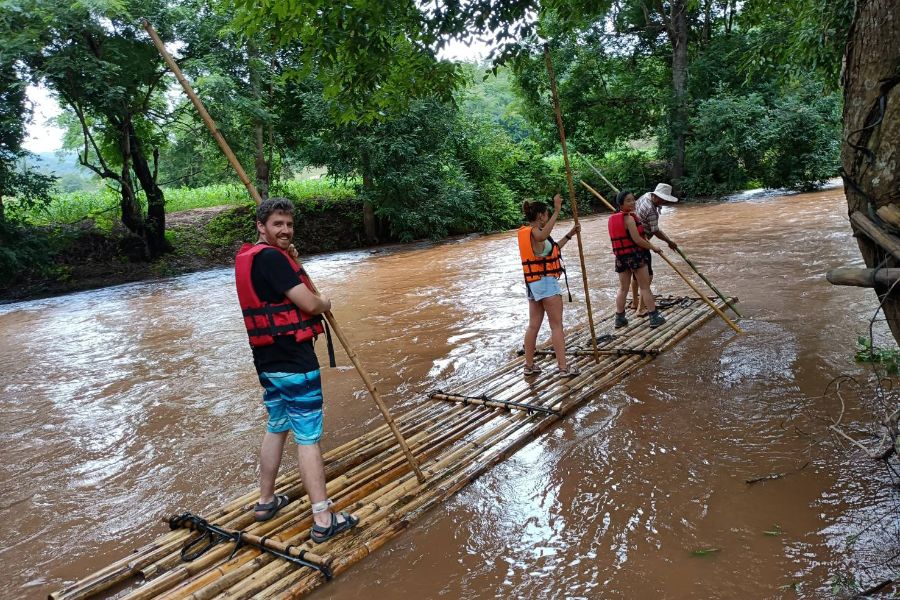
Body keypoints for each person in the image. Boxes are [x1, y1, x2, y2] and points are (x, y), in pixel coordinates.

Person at [234, 197, 358, 544]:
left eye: (288, 225)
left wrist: (291, 258)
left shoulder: (252, 258)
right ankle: (322, 517)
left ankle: (265, 501)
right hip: (294, 361)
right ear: (261, 226)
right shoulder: (272, 258)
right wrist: (325, 303)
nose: (285, 230)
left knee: (277, 425)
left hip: (268, 362)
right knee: (308, 436)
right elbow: (308, 303)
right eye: (277, 224)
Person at [518, 193, 581, 377]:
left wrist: (570, 234)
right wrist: (557, 210)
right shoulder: (535, 233)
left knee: (533, 326)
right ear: (540, 216)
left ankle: (529, 366)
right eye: (546, 215)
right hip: (545, 283)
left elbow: (553, 250)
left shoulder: (532, 234)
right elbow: (542, 236)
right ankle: (563, 368)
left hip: (534, 285)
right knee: (556, 326)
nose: (547, 218)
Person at [609, 190, 666, 329]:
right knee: (645, 287)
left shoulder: (612, 219)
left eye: (633, 199)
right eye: (628, 200)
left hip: (621, 257)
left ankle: (620, 318)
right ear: (621, 204)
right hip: (635, 256)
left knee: (623, 288)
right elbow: (637, 240)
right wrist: (653, 247)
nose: (633, 202)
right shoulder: (629, 219)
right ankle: (654, 317)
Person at [630, 182, 680, 314]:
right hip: (642, 242)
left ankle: (635, 302)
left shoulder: (645, 196)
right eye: (663, 199)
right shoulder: (651, 210)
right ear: (657, 196)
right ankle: (641, 309)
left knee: (636, 275)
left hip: (632, 240)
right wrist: (669, 241)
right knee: (647, 277)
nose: (663, 202)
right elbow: (656, 231)